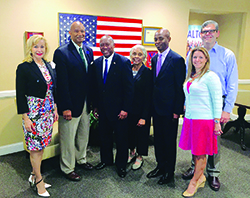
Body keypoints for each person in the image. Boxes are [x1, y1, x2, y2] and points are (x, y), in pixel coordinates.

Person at [182, 20, 238, 191]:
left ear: (217, 33)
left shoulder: (227, 55)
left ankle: (213, 173)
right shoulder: (192, 54)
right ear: (200, 34)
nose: (208, 34)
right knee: (196, 139)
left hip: (216, 103)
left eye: (211, 31)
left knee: (213, 140)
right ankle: (195, 169)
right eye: (204, 31)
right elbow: (188, 81)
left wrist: (227, 110)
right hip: (196, 103)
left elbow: (232, 84)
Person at [16, 35, 58, 197]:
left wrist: (54, 107)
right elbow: (20, 95)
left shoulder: (48, 65)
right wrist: (25, 118)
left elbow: (52, 89)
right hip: (33, 113)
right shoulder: (24, 67)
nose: (39, 50)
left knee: (41, 147)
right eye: (36, 47)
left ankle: (34, 175)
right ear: (30, 49)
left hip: (47, 112)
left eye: (42, 47)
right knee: (35, 148)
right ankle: (39, 181)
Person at [53, 21, 94, 181]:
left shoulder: (88, 51)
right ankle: (67, 167)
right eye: (76, 31)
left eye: (83, 31)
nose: (80, 34)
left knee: (83, 134)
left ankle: (81, 159)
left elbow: (90, 79)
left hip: (85, 103)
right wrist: (65, 107)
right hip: (70, 104)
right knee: (68, 137)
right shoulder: (61, 52)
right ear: (70, 33)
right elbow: (61, 83)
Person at [179, 47, 223, 197]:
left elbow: (217, 100)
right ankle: (201, 176)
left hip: (204, 120)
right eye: (194, 57)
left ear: (206, 60)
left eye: (200, 57)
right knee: (195, 151)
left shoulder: (211, 77)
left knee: (200, 153)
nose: (197, 60)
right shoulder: (192, 76)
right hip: (191, 118)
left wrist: (217, 121)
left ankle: (195, 181)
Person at [146, 29, 186, 185]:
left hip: (170, 110)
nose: (157, 42)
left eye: (161, 38)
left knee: (169, 142)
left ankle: (169, 172)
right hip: (156, 108)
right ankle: (160, 166)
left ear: (169, 39)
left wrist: (177, 110)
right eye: (155, 39)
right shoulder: (155, 59)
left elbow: (179, 87)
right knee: (159, 140)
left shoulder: (177, 59)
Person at [90, 35, 134, 178]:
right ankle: (106, 160)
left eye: (107, 44)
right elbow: (96, 88)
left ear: (113, 45)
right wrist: (95, 107)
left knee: (121, 139)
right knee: (104, 137)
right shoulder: (96, 63)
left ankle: (121, 165)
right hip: (103, 109)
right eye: (102, 45)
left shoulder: (123, 62)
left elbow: (129, 89)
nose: (104, 47)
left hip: (119, 110)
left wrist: (125, 109)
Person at [127, 45, 152, 170]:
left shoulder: (148, 73)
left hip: (142, 110)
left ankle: (140, 156)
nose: (136, 57)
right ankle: (132, 152)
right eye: (134, 54)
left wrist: (144, 116)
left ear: (144, 57)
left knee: (141, 134)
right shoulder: (127, 69)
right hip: (129, 110)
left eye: (139, 54)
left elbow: (148, 97)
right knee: (130, 133)